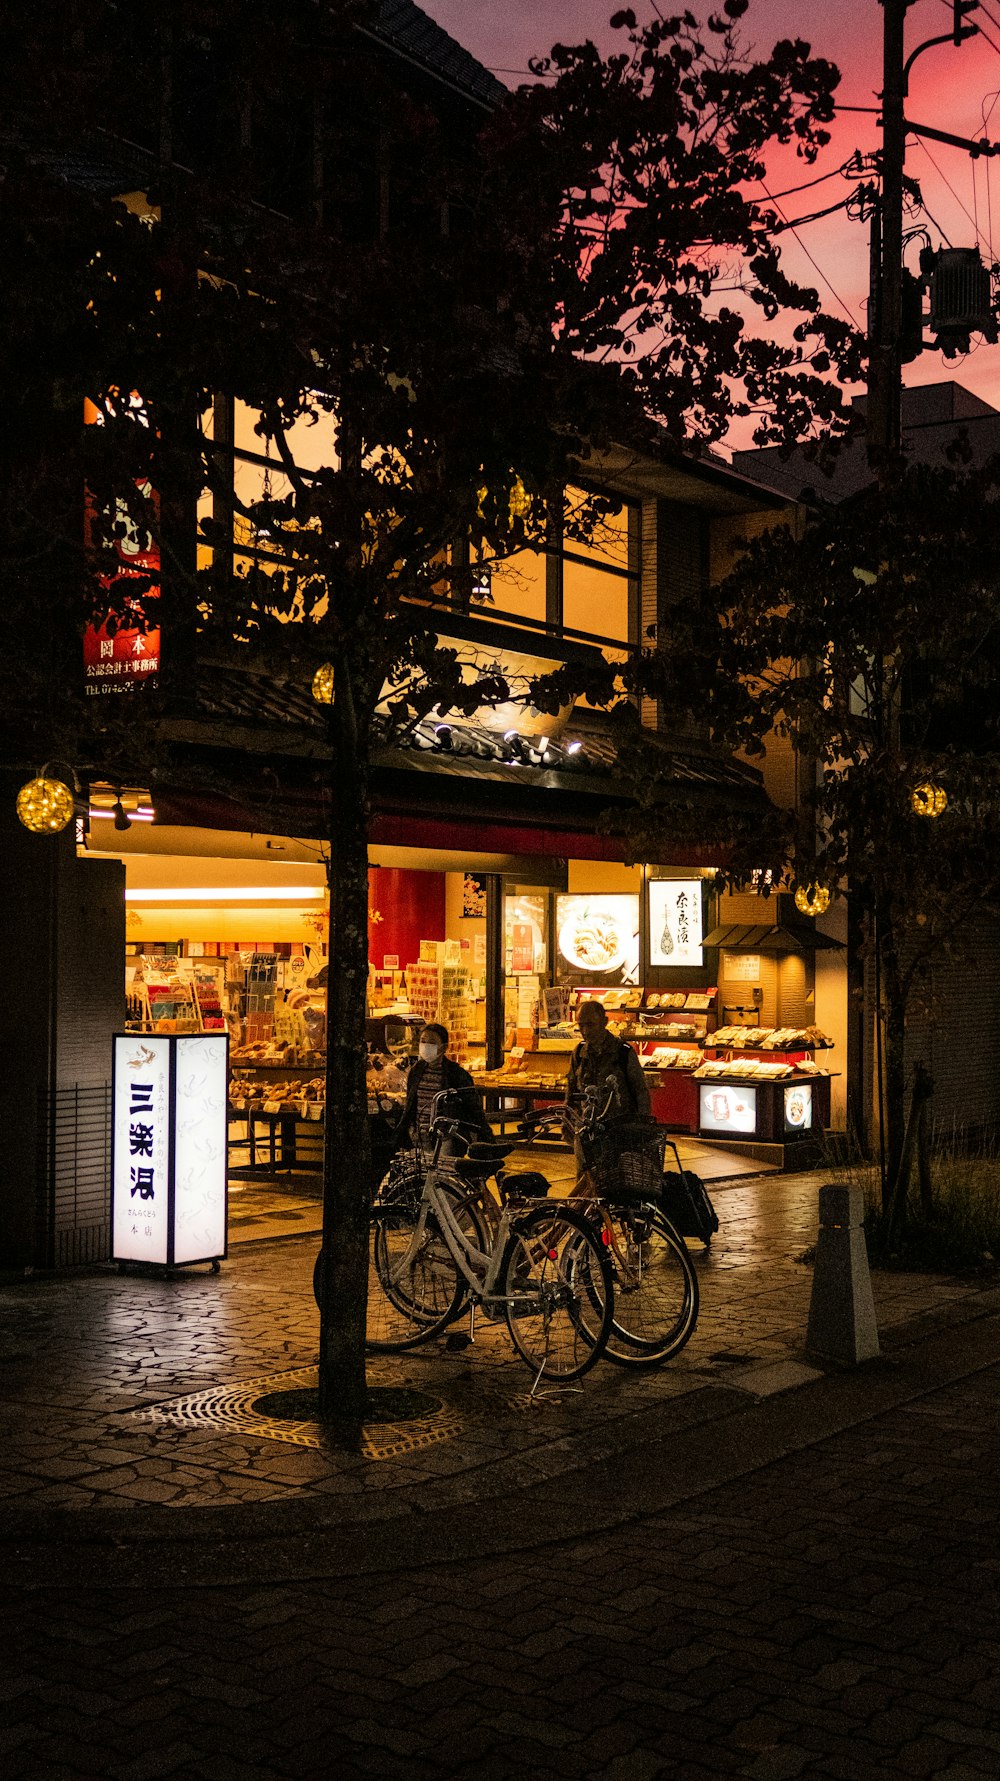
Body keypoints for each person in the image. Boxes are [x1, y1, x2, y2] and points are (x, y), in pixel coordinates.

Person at [564, 1000, 650, 1182]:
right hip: (586, 1130)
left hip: (618, 1130)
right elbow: (571, 1088)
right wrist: (567, 1120)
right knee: (585, 1180)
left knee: (617, 1180)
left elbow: (640, 1091)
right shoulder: (579, 1052)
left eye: (591, 1024)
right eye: (581, 1025)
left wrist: (642, 1128)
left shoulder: (623, 1052)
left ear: (604, 1021)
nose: (586, 1031)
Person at [397, 1022, 492, 1159]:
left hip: (445, 1137)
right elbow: (411, 1104)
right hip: (420, 1135)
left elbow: (473, 1108)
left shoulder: (456, 1074)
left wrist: (485, 1135)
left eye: (432, 1042)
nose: (426, 1046)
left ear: (443, 1047)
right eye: (423, 1041)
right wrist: (410, 1128)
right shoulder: (416, 1071)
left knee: (442, 1172)